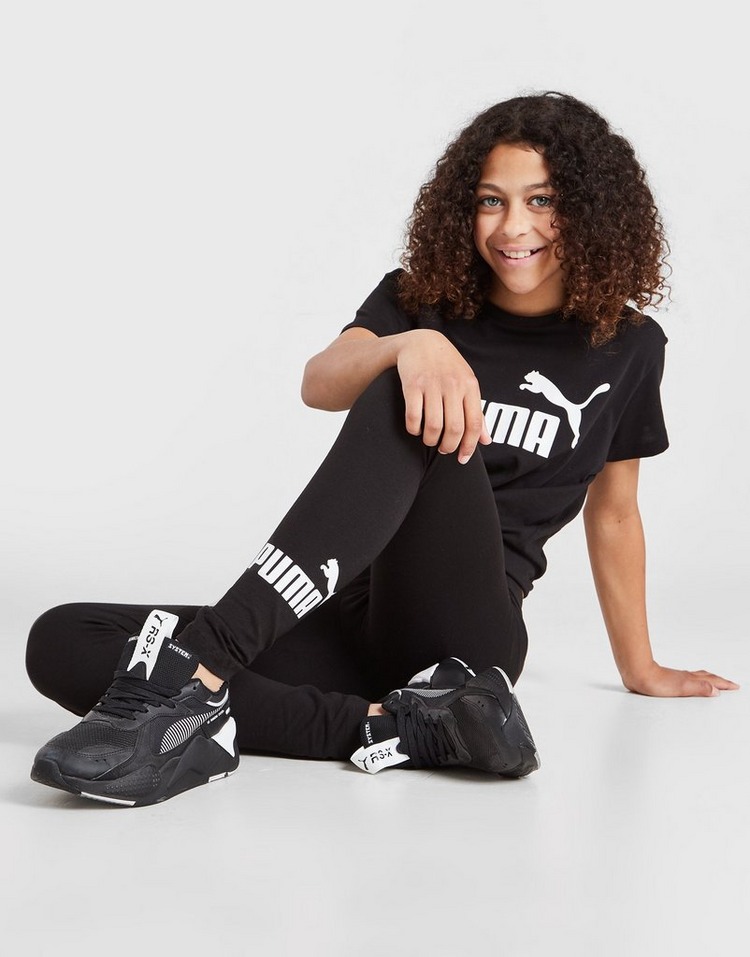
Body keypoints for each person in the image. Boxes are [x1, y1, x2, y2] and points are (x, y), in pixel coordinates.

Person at [26, 91, 738, 807]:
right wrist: (413, 342)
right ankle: (392, 728)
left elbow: (614, 514)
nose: (513, 226)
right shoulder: (417, 300)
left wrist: (640, 667)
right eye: (490, 201)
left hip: (464, 640)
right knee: (64, 638)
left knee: (410, 396)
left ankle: (197, 674)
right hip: (350, 617)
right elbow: (320, 381)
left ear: (589, 210)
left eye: (542, 200)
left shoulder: (628, 347)